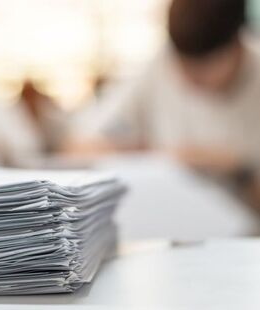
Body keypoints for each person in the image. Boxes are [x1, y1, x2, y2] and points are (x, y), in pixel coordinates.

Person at [68, 0, 260, 210]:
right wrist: (151, 155)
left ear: (238, 42)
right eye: (183, 63)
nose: (189, 77)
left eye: (204, 67)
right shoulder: (159, 67)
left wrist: (239, 169)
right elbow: (76, 149)